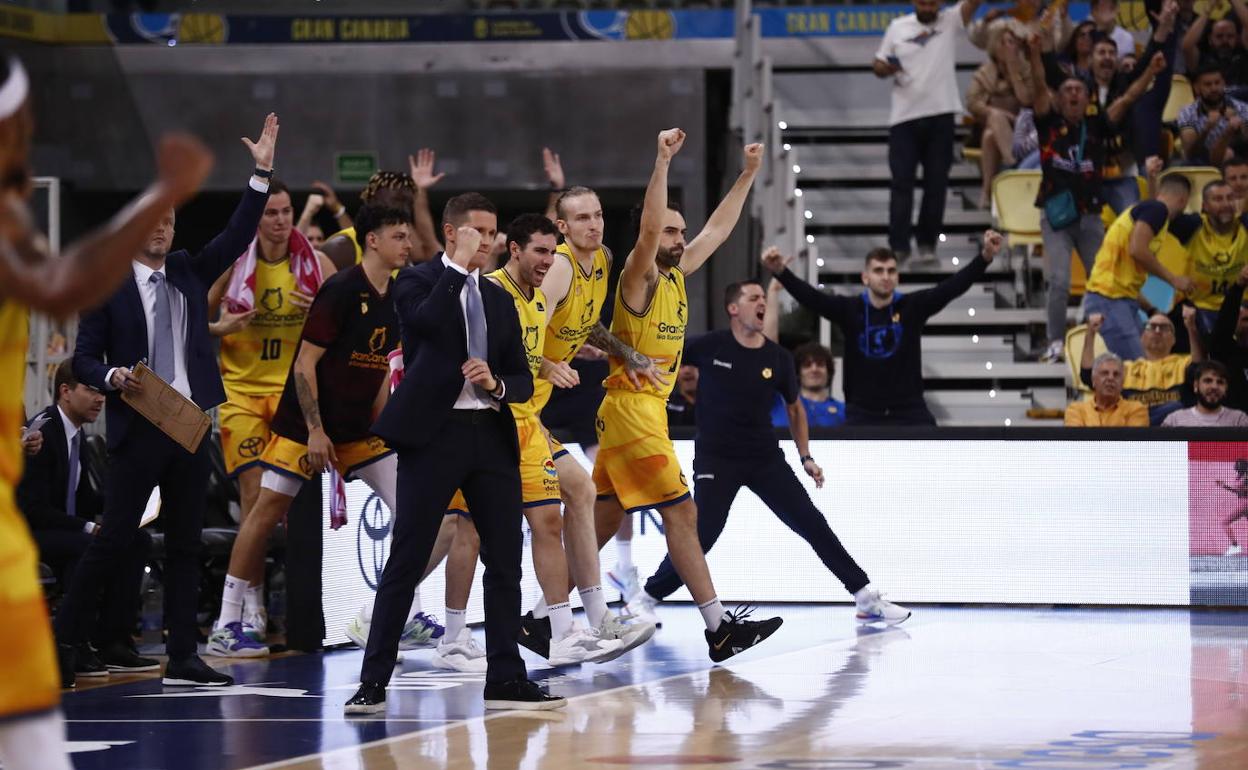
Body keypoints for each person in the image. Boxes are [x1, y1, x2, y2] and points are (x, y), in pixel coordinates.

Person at [0, 53, 212, 770]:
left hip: (170, 426)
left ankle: (139, 649)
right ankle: (70, 640)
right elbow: (65, 289)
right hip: (122, 433)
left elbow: (56, 279)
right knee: (114, 536)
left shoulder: (18, 232)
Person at [60, 114, 274, 690]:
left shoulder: (186, 271)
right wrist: (112, 375)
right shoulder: (107, 286)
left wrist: (260, 174)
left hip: (189, 424)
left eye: (168, 221)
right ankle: (63, 641)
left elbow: (237, 236)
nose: (160, 229)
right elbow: (84, 358)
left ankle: (182, 657)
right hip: (138, 424)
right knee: (115, 538)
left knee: (184, 545)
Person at [346, 193, 564, 715]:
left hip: (490, 433)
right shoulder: (417, 281)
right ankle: (373, 681)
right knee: (407, 556)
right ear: (451, 233)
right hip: (433, 435)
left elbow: (521, 377)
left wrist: (497, 384)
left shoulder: (499, 299)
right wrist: (457, 269)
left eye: (491, 233)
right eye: (477, 232)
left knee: (505, 560)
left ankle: (506, 677)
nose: (487, 241)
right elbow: (425, 323)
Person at [207, 204, 444, 658]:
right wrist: (315, 431)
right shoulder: (340, 289)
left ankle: (401, 614)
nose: (408, 245)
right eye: (398, 236)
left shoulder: (398, 293)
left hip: (357, 429)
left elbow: (379, 368)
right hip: (304, 427)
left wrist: (386, 430)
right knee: (263, 512)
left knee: (419, 511)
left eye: (408, 236)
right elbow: (304, 364)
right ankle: (227, 622)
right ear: (372, 240)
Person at [588, 129, 783, 660]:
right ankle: (719, 627)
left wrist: (747, 174)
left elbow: (719, 229)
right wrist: (662, 161)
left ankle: (541, 615)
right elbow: (650, 229)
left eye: (681, 232)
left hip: (636, 412)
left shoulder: (678, 275)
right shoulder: (640, 276)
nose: (679, 239)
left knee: (600, 523)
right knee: (682, 515)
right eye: (671, 231)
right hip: (633, 410)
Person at [630, 279, 910, 627]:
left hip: (764, 456)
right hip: (717, 457)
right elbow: (660, 354)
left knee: (811, 522)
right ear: (734, 308)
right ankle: (646, 598)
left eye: (764, 297)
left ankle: (865, 597)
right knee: (704, 533)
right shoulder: (709, 345)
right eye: (753, 298)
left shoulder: (778, 357)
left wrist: (806, 457)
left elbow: (795, 408)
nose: (761, 302)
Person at [439, 213, 623, 668]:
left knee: (552, 518)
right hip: (483, 423)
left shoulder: (538, 300)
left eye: (552, 252)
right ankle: (452, 636)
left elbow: (525, 351)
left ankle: (564, 629)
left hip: (526, 423)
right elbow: (477, 354)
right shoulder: (491, 291)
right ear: (515, 250)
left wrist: (556, 361)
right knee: (467, 530)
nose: (548, 260)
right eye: (540, 251)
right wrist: (540, 369)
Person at [206, 179, 337, 640]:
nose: (280, 221)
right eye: (270, 213)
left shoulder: (317, 264)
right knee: (253, 497)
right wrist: (221, 326)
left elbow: (341, 326)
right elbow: (196, 317)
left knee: (284, 505)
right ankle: (251, 605)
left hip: (292, 397)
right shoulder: (234, 260)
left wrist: (319, 309)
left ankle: (296, 610)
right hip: (241, 393)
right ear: (256, 218)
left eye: (285, 212)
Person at [763, 231, 1005, 426]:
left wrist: (984, 257)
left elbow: (952, 288)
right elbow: (812, 298)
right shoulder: (850, 309)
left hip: (909, 411)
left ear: (897, 277)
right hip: (862, 413)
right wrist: (781, 272)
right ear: (865, 277)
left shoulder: (913, 306)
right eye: (878, 270)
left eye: (891, 271)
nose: (886, 276)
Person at [17, 361, 157, 679]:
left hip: (61, 528)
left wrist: (128, 504)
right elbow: (33, 508)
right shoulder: (42, 432)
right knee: (90, 546)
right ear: (65, 391)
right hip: (31, 532)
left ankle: (114, 641)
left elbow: (84, 499)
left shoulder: (75, 435)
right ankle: (74, 642)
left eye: (102, 393)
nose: (100, 398)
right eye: (92, 390)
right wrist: (89, 526)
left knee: (135, 540)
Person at [874, 0, 985, 262]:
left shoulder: (950, 20)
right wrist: (887, 68)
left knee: (937, 184)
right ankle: (899, 245)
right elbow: (877, 63)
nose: (927, 5)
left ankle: (927, 244)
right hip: (904, 118)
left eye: (932, 1)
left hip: (941, 115)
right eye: (922, 1)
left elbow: (973, 4)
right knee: (901, 184)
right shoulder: (898, 27)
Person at [1082, 174, 1196, 359]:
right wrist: (1174, 279)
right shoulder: (1157, 210)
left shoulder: (1149, 211)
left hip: (1120, 300)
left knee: (1147, 363)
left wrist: (1150, 309)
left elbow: (1126, 279)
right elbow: (1137, 250)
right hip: (1110, 300)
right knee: (1137, 368)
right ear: (1183, 200)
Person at [319, 150, 442, 270]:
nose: (400, 208)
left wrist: (420, 191)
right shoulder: (341, 247)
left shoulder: (404, 240)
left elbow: (430, 253)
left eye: (404, 203)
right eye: (396, 200)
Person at [1081, 309, 1203, 424]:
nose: (1157, 331)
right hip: (1133, 427)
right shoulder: (1125, 368)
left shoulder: (1184, 363)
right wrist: (1090, 333)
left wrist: (1191, 328)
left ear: (1173, 339)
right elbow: (1088, 375)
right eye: (1151, 327)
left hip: (1172, 429)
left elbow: (1198, 370)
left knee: (1175, 409)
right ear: (1142, 337)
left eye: (1165, 328)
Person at [770, 343, 846, 429]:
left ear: (828, 373)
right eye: (807, 365)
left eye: (820, 364)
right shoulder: (781, 403)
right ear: (798, 373)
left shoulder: (843, 410)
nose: (814, 369)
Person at [1064, 352, 1150, 425]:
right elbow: (1076, 439)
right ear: (1093, 380)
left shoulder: (1136, 410)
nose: (1111, 378)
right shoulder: (1076, 410)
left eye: (1116, 374)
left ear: (1122, 383)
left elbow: (1132, 439)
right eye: (1105, 373)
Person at [1208, 263, 1248, 411]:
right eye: (1245, 319)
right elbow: (1224, 326)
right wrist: (1239, 286)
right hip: (1233, 423)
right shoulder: (1224, 351)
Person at [1162, 359, 1248, 425]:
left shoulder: (1239, 420)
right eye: (1208, 381)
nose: (1214, 387)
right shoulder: (1174, 420)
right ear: (1196, 385)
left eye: (1220, 382)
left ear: (1226, 388)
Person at [1215, 458, 1248, 555]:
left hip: (1245, 504)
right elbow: (1238, 491)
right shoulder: (1241, 476)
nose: (1235, 466)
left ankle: (1235, 546)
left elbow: (1241, 490)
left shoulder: (1245, 477)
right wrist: (1224, 486)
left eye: (1237, 465)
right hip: (1243, 502)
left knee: (1225, 523)